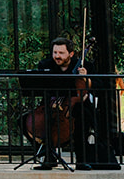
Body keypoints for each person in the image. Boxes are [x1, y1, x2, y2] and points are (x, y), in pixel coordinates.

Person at [24, 37, 98, 170]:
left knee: (82, 117)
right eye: (55, 52)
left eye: (61, 53)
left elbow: (96, 88)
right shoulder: (45, 65)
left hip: (77, 105)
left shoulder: (84, 65)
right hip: (51, 103)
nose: (57, 56)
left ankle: (81, 160)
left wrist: (86, 78)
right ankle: (48, 156)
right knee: (25, 121)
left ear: (71, 54)